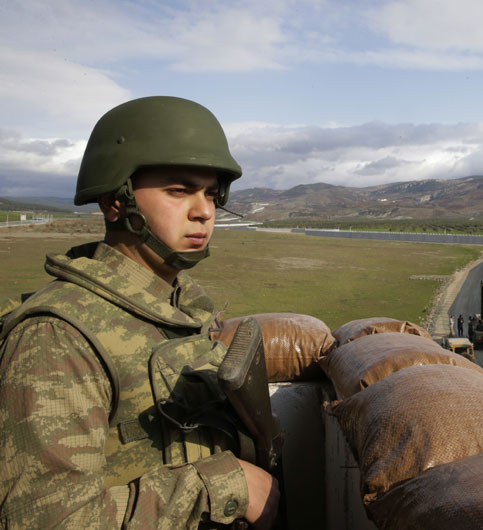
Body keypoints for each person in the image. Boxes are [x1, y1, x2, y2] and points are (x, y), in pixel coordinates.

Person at [0, 96, 279, 528]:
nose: (205, 211)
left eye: (211, 193)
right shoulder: (58, 336)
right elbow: (47, 521)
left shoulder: (180, 308)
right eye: (179, 191)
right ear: (115, 201)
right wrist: (226, 486)